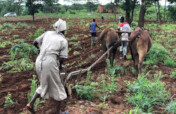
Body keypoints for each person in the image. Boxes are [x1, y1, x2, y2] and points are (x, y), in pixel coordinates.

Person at [26, 19, 68, 114]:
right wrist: (60, 65)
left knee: (44, 83)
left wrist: (39, 50)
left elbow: (35, 42)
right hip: (49, 62)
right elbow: (62, 57)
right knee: (58, 86)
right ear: (64, 30)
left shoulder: (48, 33)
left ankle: (31, 103)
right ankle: (58, 112)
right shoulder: (63, 40)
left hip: (38, 60)